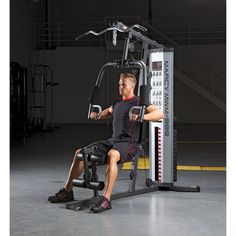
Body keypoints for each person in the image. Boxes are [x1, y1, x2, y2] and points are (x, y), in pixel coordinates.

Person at [48, 73, 164, 213]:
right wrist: (98, 115)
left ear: (132, 86)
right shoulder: (117, 102)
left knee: (112, 155)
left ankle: (106, 199)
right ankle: (67, 191)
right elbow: (108, 112)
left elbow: (160, 114)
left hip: (130, 143)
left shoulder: (139, 103)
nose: (120, 87)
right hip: (113, 140)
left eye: (123, 84)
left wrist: (142, 116)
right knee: (80, 153)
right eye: (119, 84)